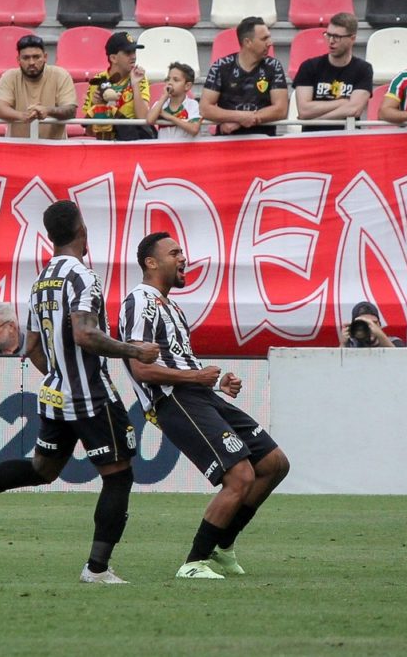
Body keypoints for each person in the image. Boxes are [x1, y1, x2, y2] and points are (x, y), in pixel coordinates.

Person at [0, 200, 160, 584]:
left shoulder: (41, 281)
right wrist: (134, 350)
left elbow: (30, 346)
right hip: (90, 396)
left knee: (41, 469)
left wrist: (61, 375)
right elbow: (85, 333)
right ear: (83, 233)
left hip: (55, 395)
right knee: (118, 476)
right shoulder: (83, 276)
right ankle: (96, 569)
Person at [119, 232, 289, 579]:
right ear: (151, 263)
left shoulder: (172, 307)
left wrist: (214, 381)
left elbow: (177, 362)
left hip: (197, 393)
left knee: (274, 463)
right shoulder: (140, 302)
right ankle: (194, 563)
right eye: (174, 253)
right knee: (239, 475)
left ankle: (222, 547)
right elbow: (141, 368)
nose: (183, 258)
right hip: (173, 400)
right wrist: (196, 380)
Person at [200, 16, 288, 136]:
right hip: (227, 143)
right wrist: (240, 117)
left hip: (263, 141)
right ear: (248, 42)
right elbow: (205, 108)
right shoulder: (220, 66)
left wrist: (240, 121)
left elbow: (281, 110)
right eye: (264, 38)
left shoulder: (274, 66)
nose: (270, 43)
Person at [292, 12, 373, 132]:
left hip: (347, 137)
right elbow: (304, 111)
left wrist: (317, 120)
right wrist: (343, 102)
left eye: (337, 36)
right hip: (312, 138)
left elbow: (354, 109)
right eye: (328, 35)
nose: (331, 41)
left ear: (352, 39)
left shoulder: (363, 69)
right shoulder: (309, 66)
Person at [0, 34, 77, 139]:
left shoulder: (61, 75)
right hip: (17, 148)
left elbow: (70, 110)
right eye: (26, 58)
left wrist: (47, 110)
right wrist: (23, 116)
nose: (31, 62)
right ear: (18, 59)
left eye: (36, 57)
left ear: (45, 57)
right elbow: (0, 109)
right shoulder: (9, 77)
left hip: (55, 148)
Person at [82, 32, 152, 140]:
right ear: (113, 58)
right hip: (106, 143)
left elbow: (143, 118)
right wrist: (98, 107)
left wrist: (135, 84)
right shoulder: (98, 81)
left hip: (132, 142)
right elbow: (89, 131)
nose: (133, 56)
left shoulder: (140, 78)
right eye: (128, 52)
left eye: (134, 51)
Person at [146, 62, 202, 140]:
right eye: (168, 79)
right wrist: (164, 97)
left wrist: (169, 117)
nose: (170, 82)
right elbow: (150, 120)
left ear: (187, 86)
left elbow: (194, 129)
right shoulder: (161, 104)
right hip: (164, 149)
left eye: (176, 80)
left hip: (185, 150)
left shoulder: (193, 105)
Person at [339, 301, 405, 348]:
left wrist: (379, 334)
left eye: (374, 323)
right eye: (364, 324)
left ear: (380, 324)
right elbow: (337, 365)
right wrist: (343, 344)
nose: (370, 327)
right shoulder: (350, 345)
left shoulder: (394, 341)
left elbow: (398, 359)